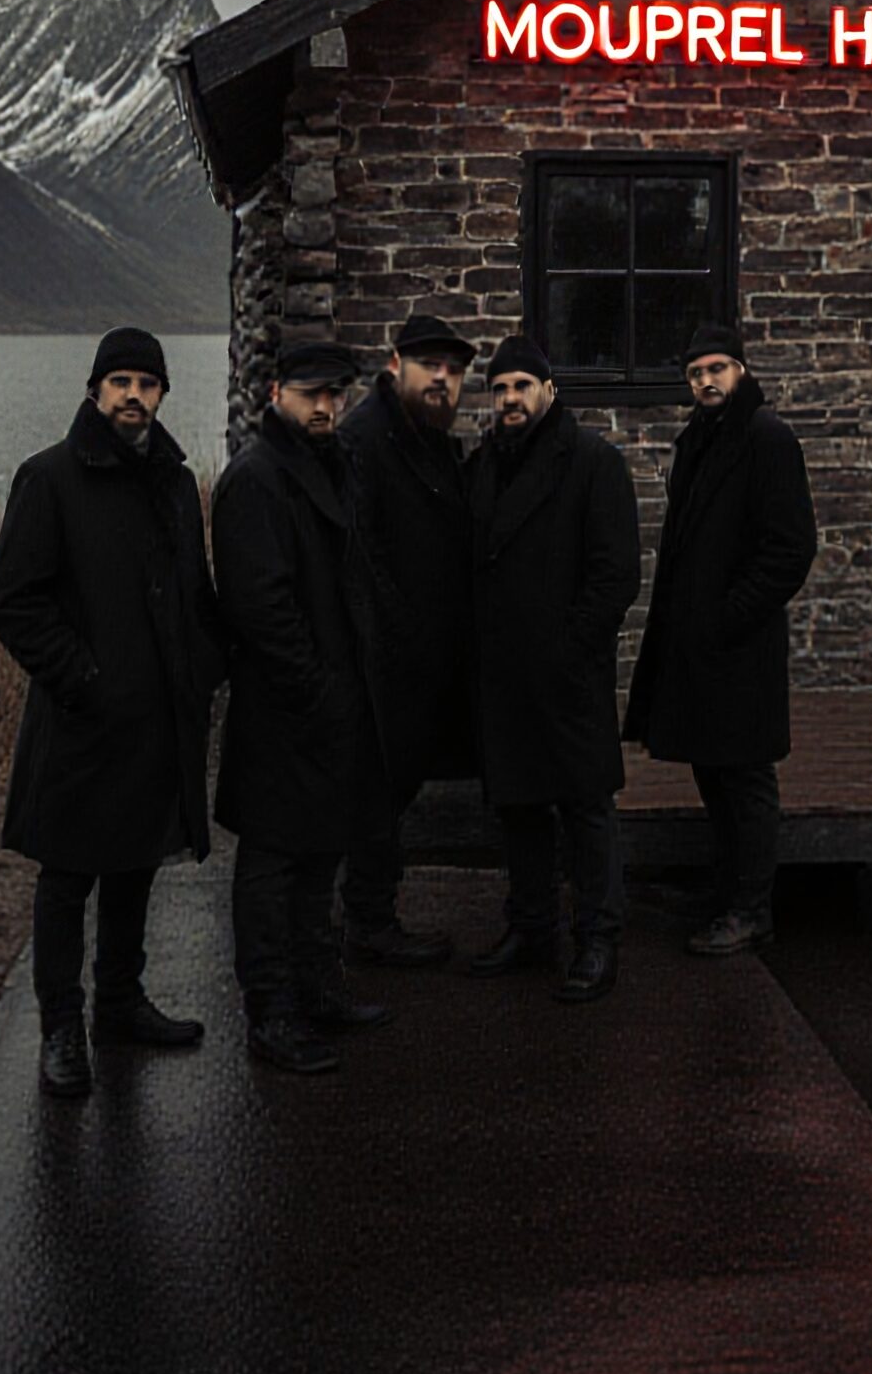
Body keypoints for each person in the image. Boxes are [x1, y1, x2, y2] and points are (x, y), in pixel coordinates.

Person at [0, 327, 220, 1099]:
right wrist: (82, 680)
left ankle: (120, 1004)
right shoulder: (49, 479)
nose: (132, 395)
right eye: (118, 380)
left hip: (156, 721)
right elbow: (13, 601)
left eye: (146, 383)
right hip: (82, 722)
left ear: (160, 395)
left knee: (133, 868)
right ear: (94, 391)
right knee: (67, 878)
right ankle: (61, 1029)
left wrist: (202, 670)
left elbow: (193, 594)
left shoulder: (175, 484)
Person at [212, 338, 392, 1074]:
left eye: (336, 394)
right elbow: (261, 606)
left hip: (333, 698)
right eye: (311, 393)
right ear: (275, 394)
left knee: (322, 855)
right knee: (272, 864)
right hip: (283, 707)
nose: (326, 406)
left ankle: (318, 989)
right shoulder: (256, 479)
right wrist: (317, 689)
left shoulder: (330, 464)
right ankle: (271, 1014)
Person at [625, 323, 818, 956]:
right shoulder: (699, 441)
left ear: (740, 371)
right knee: (712, 768)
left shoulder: (766, 438)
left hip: (741, 645)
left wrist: (728, 617)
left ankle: (751, 909)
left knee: (746, 777)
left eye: (716, 369)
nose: (705, 381)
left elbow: (790, 549)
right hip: (701, 644)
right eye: (695, 373)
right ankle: (725, 890)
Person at [465, 338, 643, 1002]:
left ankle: (599, 939)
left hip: (568, 674)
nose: (510, 399)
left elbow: (615, 572)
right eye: (500, 388)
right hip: (505, 673)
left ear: (548, 391)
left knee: (585, 808)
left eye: (522, 386)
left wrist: (569, 652)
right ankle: (532, 928)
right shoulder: (484, 465)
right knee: (520, 808)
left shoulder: (593, 463)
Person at [337, 312, 479, 968]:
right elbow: (360, 555)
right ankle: (368, 920)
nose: (442, 380)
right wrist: (395, 643)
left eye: (452, 371)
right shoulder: (367, 439)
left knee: (387, 793)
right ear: (396, 366)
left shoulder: (430, 439)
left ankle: (367, 914)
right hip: (384, 662)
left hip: (424, 662)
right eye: (430, 367)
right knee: (371, 793)